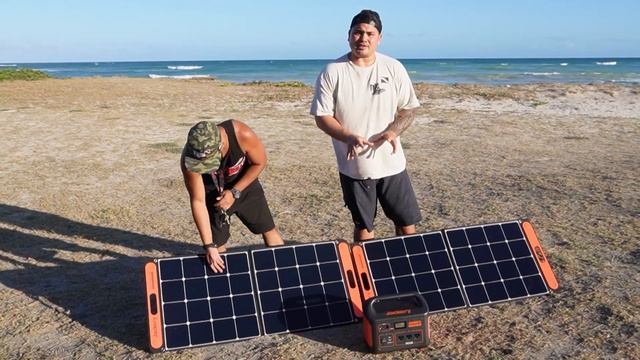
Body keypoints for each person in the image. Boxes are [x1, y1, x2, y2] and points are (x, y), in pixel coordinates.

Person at [310, 9, 422, 242]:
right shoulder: (333, 71)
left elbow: (409, 109)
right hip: (355, 167)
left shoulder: (393, 67)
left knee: (406, 223)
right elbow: (322, 117)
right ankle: (368, 272)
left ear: (379, 38)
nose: (363, 39)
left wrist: (394, 131)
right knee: (364, 227)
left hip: (392, 165)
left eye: (370, 34)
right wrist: (348, 136)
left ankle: (408, 266)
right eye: (358, 32)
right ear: (349, 35)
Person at [181, 120, 284, 272]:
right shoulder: (189, 161)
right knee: (217, 245)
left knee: (268, 228)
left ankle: (283, 269)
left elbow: (259, 163)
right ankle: (227, 282)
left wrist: (235, 191)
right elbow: (198, 201)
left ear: (220, 145)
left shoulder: (242, 134)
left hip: (244, 184)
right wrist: (209, 245)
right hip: (213, 195)